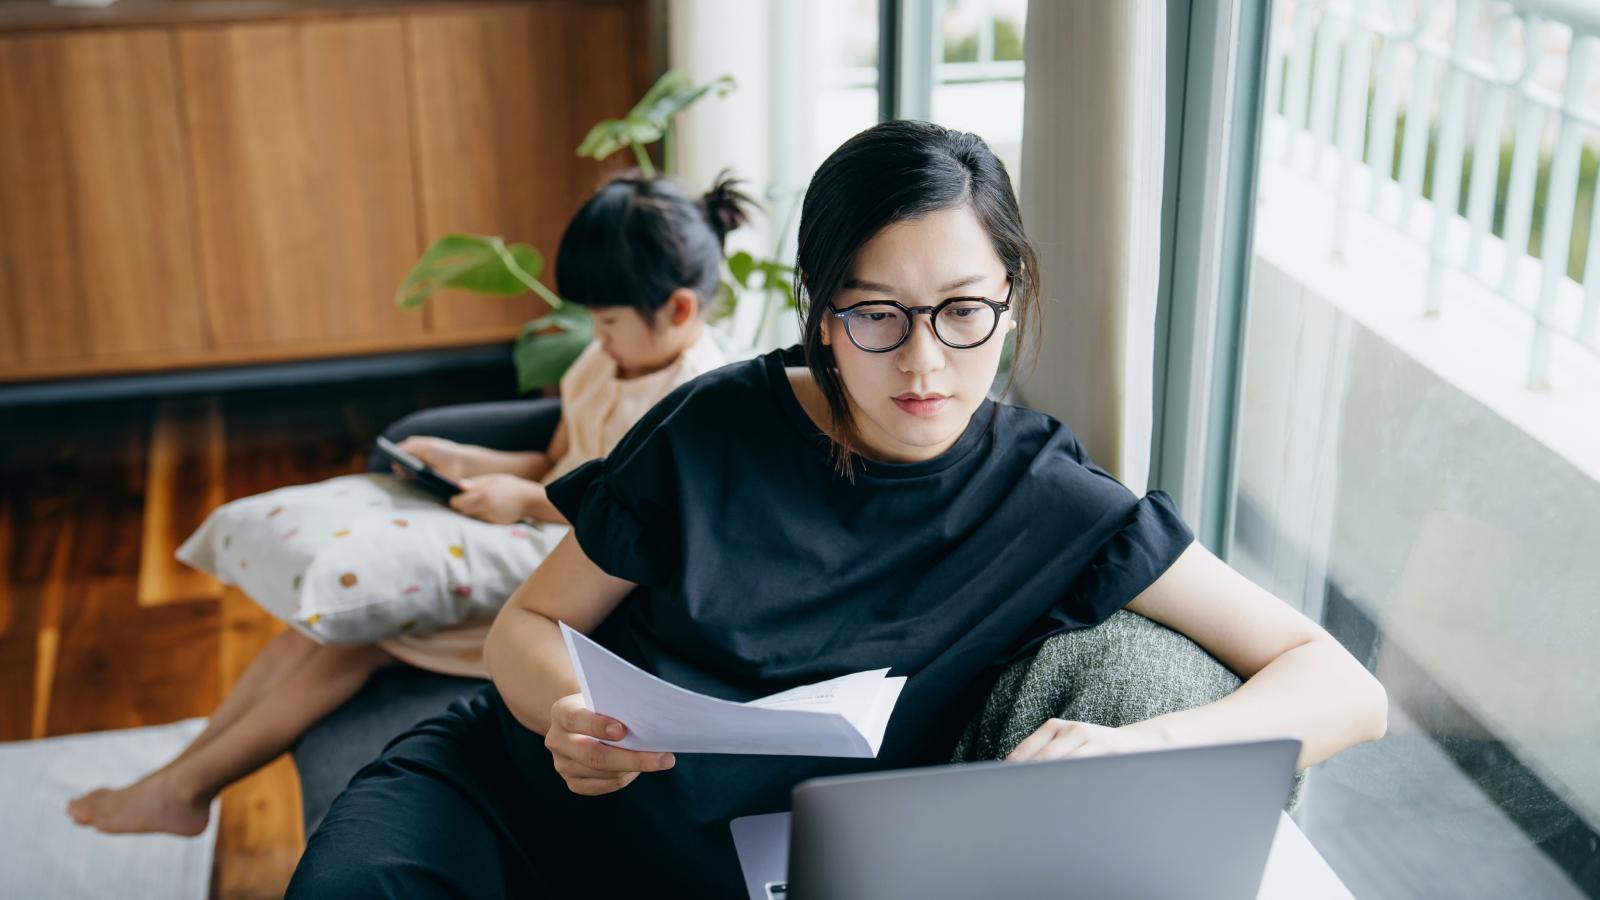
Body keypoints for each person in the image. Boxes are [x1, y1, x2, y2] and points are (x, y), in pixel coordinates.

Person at [285, 121, 1389, 898]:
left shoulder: (1047, 499)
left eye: (962, 311)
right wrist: (562, 716)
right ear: (821, 314)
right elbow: (530, 626)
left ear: (1011, 301)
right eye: (876, 317)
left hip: (742, 869)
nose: (922, 363)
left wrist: (1140, 747)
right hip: (515, 798)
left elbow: (1343, 687)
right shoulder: (717, 424)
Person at [65, 172, 753, 837]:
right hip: (528, 531)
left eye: (606, 320)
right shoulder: (607, 362)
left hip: (580, 583)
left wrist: (527, 502)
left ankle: (183, 790)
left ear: (680, 312)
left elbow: (636, 525)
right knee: (313, 631)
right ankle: (177, 778)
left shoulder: (691, 403)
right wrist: (464, 463)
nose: (595, 336)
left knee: (349, 645)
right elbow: (554, 461)